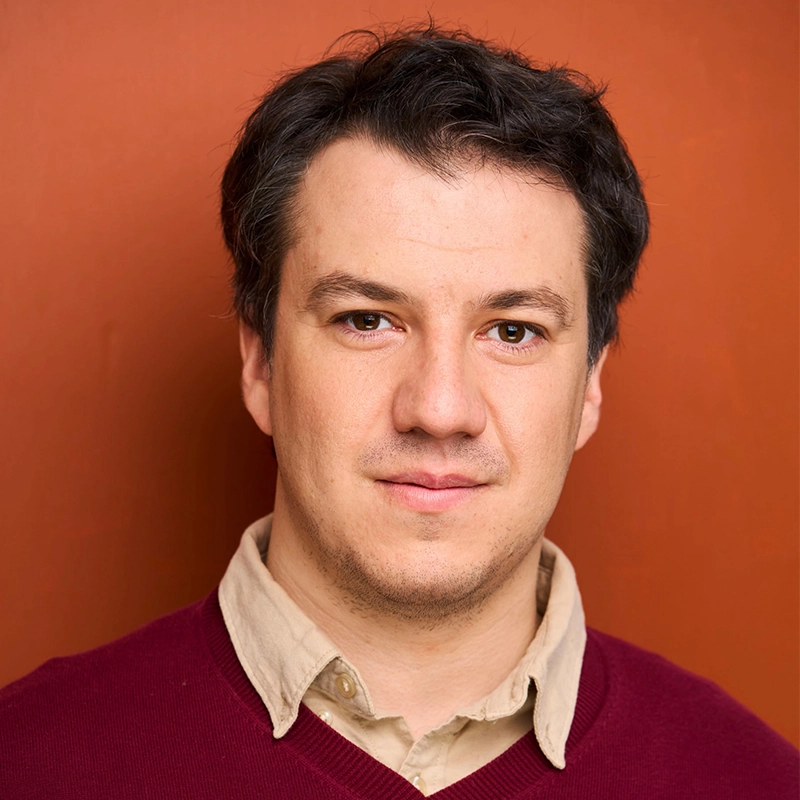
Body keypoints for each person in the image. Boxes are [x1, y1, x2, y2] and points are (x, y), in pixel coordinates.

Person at [0, 24, 796, 799]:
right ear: (261, 364)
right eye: (366, 320)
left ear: (589, 385)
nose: (441, 410)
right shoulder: (27, 762)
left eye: (514, 331)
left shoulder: (755, 780)